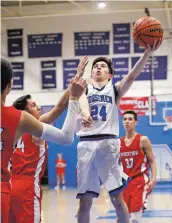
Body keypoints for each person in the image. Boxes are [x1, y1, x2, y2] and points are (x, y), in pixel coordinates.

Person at [75, 39, 162, 223]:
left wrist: (146, 54)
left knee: (117, 198)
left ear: (110, 75)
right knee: (84, 202)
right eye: (95, 66)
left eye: (102, 67)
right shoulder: (84, 89)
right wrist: (85, 113)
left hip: (108, 144)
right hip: (86, 145)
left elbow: (131, 76)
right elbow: (81, 100)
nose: (98, 68)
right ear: (91, 73)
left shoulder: (114, 90)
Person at [1, 57, 86, 223]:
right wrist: (74, 93)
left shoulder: (18, 128)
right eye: (33, 105)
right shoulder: (24, 122)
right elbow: (59, 114)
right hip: (26, 189)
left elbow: (57, 108)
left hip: (10, 186)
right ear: (10, 85)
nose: (39, 107)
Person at [120, 110, 156, 223]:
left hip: (139, 180)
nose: (127, 121)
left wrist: (154, 179)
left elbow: (152, 161)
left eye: (130, 119)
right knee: (122, 218)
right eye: (125, 119)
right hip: (125, 182)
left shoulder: (143, 140)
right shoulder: (118, 143)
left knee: (135, 218)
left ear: (136, 122)